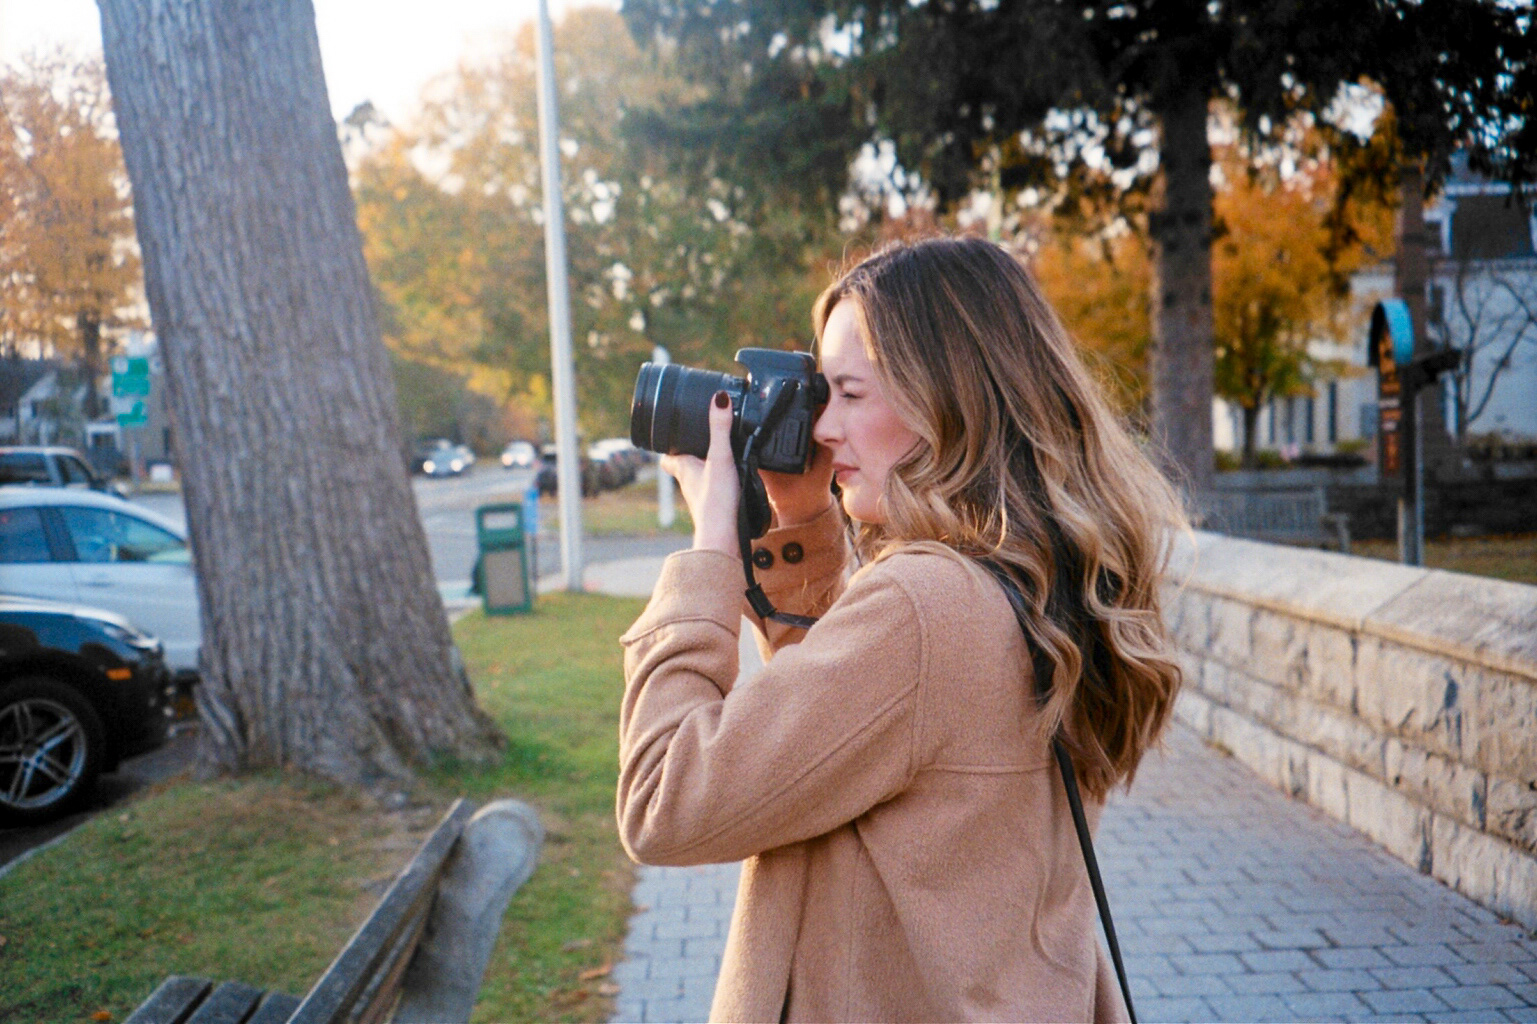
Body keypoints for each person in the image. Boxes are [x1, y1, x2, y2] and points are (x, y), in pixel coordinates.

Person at [617, 235, 1186, 1023]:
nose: (821, 427)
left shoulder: (925, 606)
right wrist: (804, 521)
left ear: (947, 400)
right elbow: (845, 738)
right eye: (822, 395)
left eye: (850, 394)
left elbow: (663, 802)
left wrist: (709, 550)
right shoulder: (1040, 574)